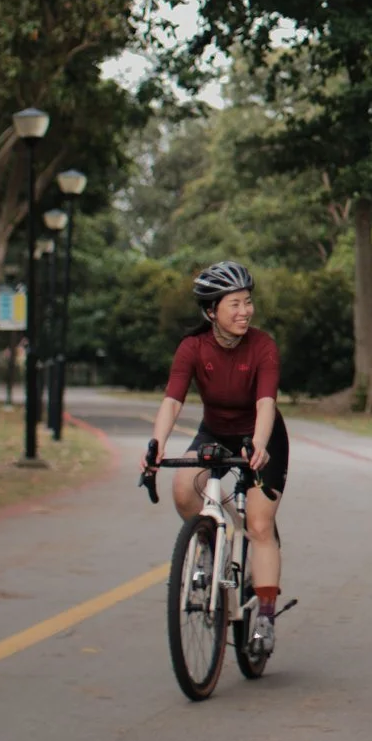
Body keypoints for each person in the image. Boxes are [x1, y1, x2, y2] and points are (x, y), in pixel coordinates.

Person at [142, 260, 288, 653]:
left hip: (262, 434)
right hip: (215, 433)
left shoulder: (262, 345)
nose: (245, 311)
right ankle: (208, 544)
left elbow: (266, 401)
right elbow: (172, 401)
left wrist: (258, 443)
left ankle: (265, 618)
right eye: (234, 304)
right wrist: (156, 447)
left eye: (247, 302)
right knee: (183, 489)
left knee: (259, 525)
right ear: (211, 311)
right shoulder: (193, 347)